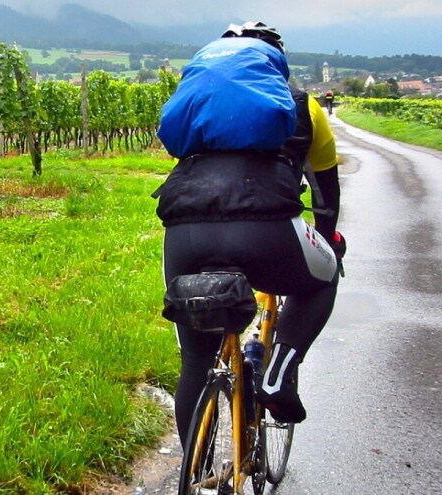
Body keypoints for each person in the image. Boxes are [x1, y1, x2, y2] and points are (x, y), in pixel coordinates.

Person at [153, 22, 346, 446]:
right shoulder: (303, 107)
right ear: (275, 63)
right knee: (325, 277)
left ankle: (196, 475)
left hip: (186, 233)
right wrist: (329, 240)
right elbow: (325, 195)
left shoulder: (197, 107)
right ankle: (278, 375)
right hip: (268, 231)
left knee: (197, 360)